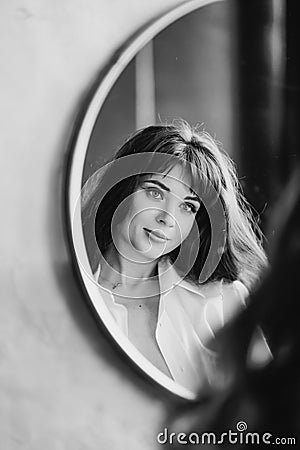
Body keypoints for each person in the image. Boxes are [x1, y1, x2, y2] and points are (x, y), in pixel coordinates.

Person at [83, 120, 270, 394]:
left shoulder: (224, 302)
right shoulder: (66, 290)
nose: (168, 217)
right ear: (120, 189)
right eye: (154, 192)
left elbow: (268, 409)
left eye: (188, 206)